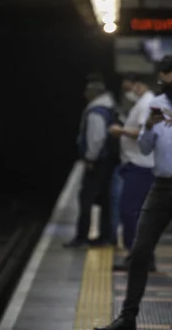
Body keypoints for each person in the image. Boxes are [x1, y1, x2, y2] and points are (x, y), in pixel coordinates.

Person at [96, 55, 172, 330]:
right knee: (140, 251)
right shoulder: (157, 103)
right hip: (161, 183)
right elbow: (144, 148)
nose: (169, 88)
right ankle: (128, 317)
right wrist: (149, 129)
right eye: (163, 83)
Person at [108, 73, 156, 272]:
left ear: (140, 85)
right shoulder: (144, 102)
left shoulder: (147, 103)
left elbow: (145, 132)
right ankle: (141, 257)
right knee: (136, 214)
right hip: (136, 164)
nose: (129, 91)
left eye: (130, 87)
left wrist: (121, 131)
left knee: (130, 212)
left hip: (141, 166)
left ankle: (138, 257)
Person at [65, 78, 117, 248]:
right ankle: (105, 236)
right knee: (105, 199)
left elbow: (96, 137)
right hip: (108, 162)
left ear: (94, 93)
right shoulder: (110, 107)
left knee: (86, 199)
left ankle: (82, 237)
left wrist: (90, 158)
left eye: (87, 91)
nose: (85, 95)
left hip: (98, 162)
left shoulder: (96, 111)